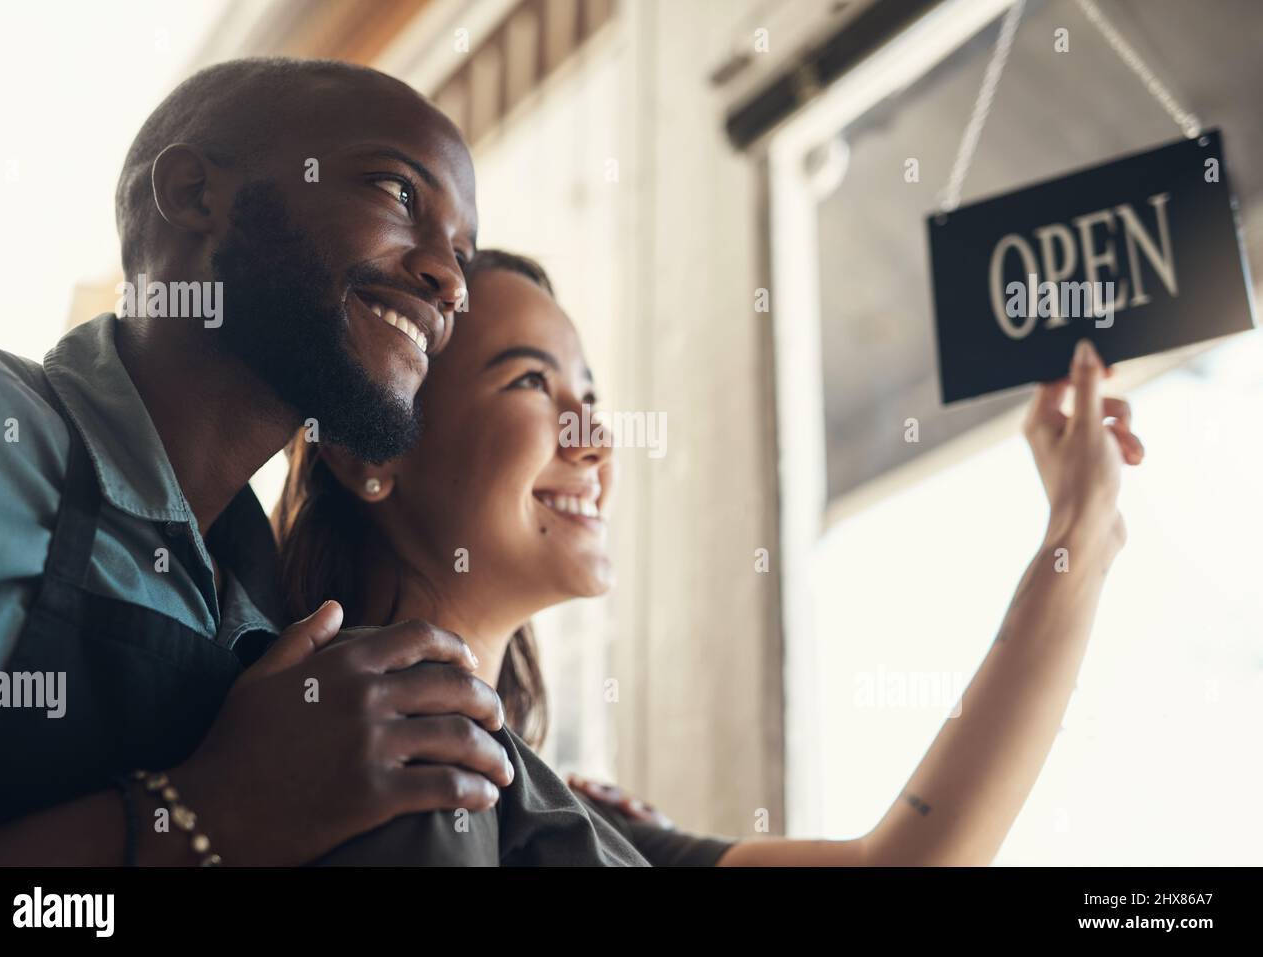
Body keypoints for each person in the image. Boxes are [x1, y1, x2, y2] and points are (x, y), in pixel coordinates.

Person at [275, 249, 1146, 865]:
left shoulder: (555, 804)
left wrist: (1084, 530)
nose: (595, 438)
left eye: (592, 396)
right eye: (532, 382)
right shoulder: (325, 737)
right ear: (372, 454)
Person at [0, 57, 513, 866]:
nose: (451, 283)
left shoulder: (276, 618)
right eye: (398, 193)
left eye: (463, 252)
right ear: (193, 194)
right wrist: (202, 816)